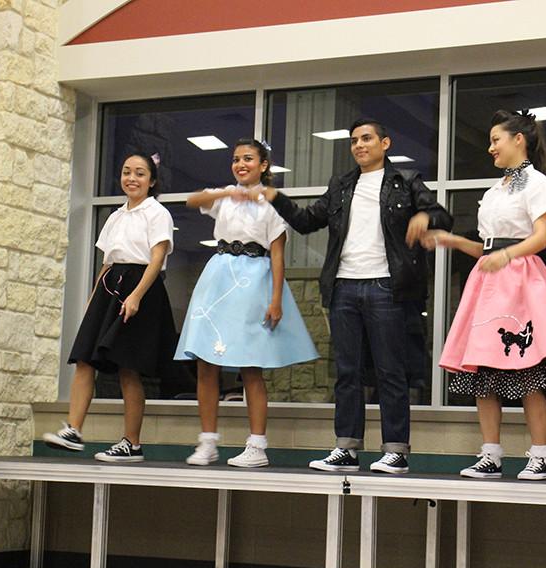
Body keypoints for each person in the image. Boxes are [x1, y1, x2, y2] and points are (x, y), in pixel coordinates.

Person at [246, 118, 453, 474]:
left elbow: (441, 216)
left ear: (385, 143)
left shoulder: (405, 181)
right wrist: (275, 196)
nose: (359, 145)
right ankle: (347, 447)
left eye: (367, 138)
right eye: (354, 140)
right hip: (344, 285)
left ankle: (396, 451)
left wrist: (423, 216)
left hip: (387, 285)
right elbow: (308, 220)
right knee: (347, 372)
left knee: (391, 371)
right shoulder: (341, 185)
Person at [424, 109, 546, 480]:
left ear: (519, 140)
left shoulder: (537, 183)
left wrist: (507, 256)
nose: (490, 147)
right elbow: (486, 247)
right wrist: (451, 240)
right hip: (490, 281)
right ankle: (491, 454)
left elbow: (541, 238)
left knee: (529, 369)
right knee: (482, 369)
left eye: (496, 139)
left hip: (522, 280)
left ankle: (540, 455)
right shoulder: (494, 190)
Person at [175, 139, 318, 467]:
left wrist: (276, 298)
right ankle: (207, 441)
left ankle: (257, 446)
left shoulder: (272, 203)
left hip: (254, 278)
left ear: (263, 165)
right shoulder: (224, 195)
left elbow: (278, 254)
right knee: (205, 362)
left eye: (249, 159)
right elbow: (191, 199)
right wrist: (227, 193)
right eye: (236, 159)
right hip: (219, 275)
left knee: (250, 365)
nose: (241, 164)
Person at [43, 152, 176, 462]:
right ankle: (73, 430)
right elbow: (107, 263)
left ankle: (132, 443)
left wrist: (137, 296)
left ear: (152, 181)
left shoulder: (157, 213)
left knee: (128, 368)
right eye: (127, 171)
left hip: (140, 285)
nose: (132, 178)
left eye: (140, 173)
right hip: (110, 288)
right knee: (84, 359)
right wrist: (92, 301)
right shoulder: (115, 216)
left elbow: (156, 259)